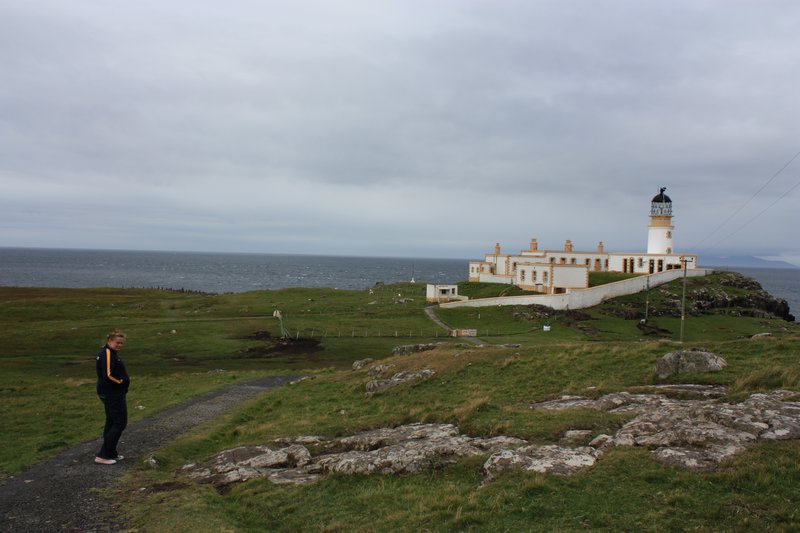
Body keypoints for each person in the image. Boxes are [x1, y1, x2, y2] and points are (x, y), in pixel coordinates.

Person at [94, 329, 130, 465]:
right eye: (117, 342)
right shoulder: (107, 353)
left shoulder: (111, 353)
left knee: (112, 421)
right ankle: (103, 455)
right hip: (111, 393)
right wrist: (122, 382)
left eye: (121, 343)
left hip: (113, 393)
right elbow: (108, 375)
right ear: (109, 341)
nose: (119, 345)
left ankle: (110, 452)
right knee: (119, 422)